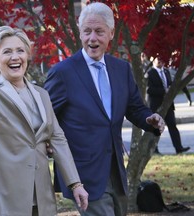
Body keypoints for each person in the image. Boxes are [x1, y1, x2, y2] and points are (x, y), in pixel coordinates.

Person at [0, 24, 88, 215]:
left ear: (27, 56)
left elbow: (58, 139)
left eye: (20, 51)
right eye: (7, 52)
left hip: (40, 194)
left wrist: (75, 184)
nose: (15, 57)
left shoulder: (41, 94)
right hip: (4, 194)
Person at [44, 2, 165, 216]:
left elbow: (135, 108)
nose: (92, 38)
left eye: (99, 31)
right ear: (80, 33)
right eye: (87, 31)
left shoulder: (121, 69)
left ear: (111, 33)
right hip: (83, 174)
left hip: (116, 170)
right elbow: (44, 116)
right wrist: (47, 143)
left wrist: (148, 119)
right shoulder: (63, 73)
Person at [147, 57, 191, 154]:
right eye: (158, 59)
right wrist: (164, 91)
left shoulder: (166, 72)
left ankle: (178, 148)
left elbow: (170, 84)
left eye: (162, 59)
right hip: (156, 106)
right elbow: (149, 90)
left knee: (172, 126)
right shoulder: (150, 73)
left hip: (168, 106)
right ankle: (154, 150)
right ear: (152, 60)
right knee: (155, 128)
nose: (161, 61)